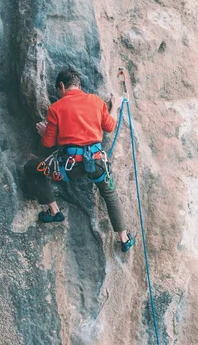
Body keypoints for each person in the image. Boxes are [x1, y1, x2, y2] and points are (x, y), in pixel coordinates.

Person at [24, 68, 135, 252]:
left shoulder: (55, 109)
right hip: (97, 164)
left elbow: (48, 143)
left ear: (61, 86)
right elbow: (110, 126)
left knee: (32, 167)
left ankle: (54, 210)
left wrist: (45, 132)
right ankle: (124, 238)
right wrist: (114, 107)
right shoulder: (96, 101)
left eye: (58, 90)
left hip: (69, 168)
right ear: (79, 85)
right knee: (110, 195)